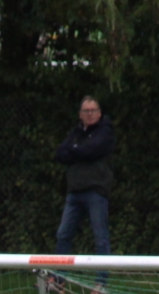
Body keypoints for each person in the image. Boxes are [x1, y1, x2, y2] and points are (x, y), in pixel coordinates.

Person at [54, 97, 114, 259]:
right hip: (74, 191)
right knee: (63, 234)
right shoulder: (75, 133)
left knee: (100, 237)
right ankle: (59, 274)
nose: (89, 114)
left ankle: (102, 275)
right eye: (86, 111)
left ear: (99, 113)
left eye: (93, 110)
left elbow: (92, 150)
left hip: (95, 191)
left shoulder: (105, 132)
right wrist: (80, 150)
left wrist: (75, 150)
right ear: (80, 114)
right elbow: (60, 154)